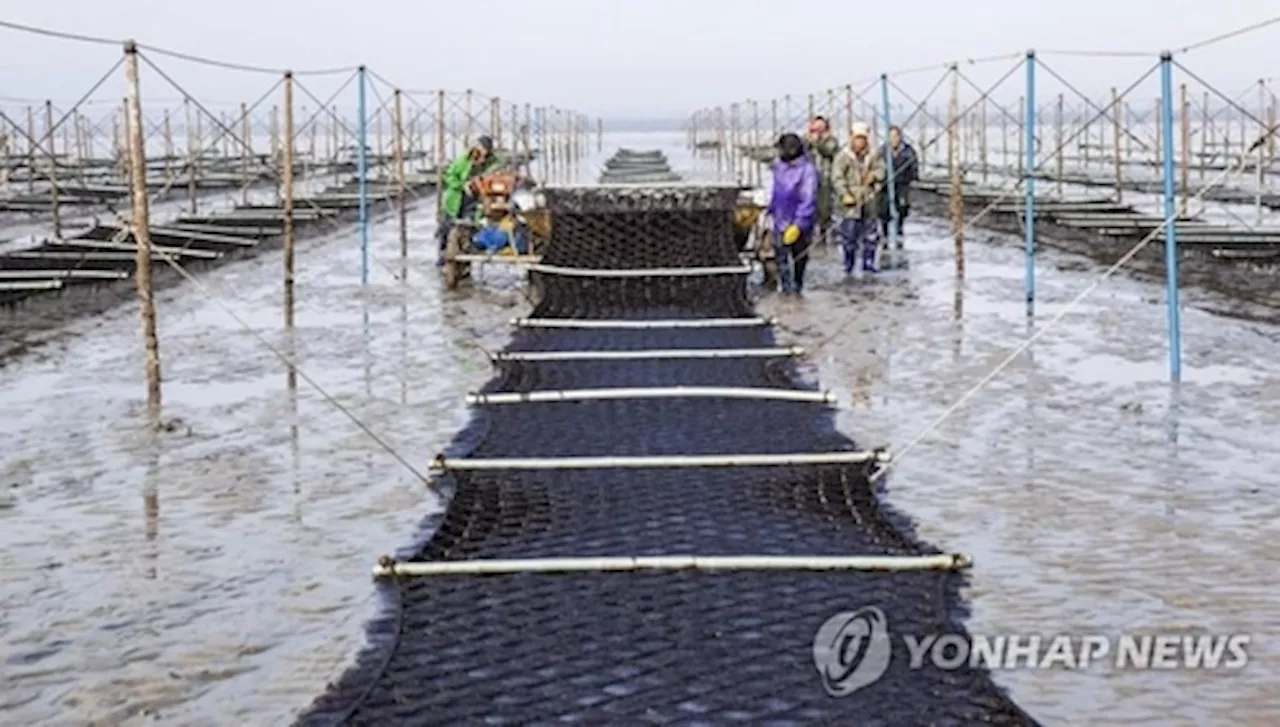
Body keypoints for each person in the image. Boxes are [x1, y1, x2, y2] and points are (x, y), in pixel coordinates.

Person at [765, 132, 819, 295]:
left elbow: (808, 198)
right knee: (781, 259)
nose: (779, 152)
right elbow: (774, 192)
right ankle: (786, 292)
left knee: (799, 258)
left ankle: (797, 288)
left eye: (781, 149)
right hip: (779, 220)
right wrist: (768, 212)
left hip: (799, 224)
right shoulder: (778, 166)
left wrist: (799, 224)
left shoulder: (807, 170)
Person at [436, 135, 501, 265]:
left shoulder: (492, 162)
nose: (482, 158)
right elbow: (449, 176)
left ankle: (466, 255)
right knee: (447, 228)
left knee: (470, 225)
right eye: (480, 154)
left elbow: (498, 169)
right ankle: (443, 257)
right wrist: (462, 185)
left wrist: (483, 179)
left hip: (476, 198)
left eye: (485, 155)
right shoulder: (462, 161)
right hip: (456, 198)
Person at [832, 122, 886, 274]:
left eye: (863, 138)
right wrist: (845, 194)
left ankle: (868, 263)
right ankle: (849, 264)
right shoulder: (843, 156)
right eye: (857, 138)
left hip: (869, 200)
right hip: (850, 204)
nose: (860, 142)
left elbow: (882, 170)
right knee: (849, 236)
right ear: (851, 138)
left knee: (871, 235)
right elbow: (837, 177)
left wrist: (874, 176)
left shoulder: (874, 155)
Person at [877, 125, 919, 245]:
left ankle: (899, 229)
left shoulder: (908, 150)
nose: (893, 139)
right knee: (884, 208)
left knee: (902, 206)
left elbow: (914, 166)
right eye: (890, 136)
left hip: (902, 183)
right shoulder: (883, 150)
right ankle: (884, 232)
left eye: (895, 136)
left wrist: (914, 178)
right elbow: (877, 166)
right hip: (885, 183)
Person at [805, 116, 839, 241]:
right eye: (815, 129)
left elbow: (828, 150)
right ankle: (811, 232)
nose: (818, 132)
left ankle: (824, 232)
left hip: (825, 178)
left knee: (825, 207)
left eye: (821, 129)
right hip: (809, 180)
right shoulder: (808, 141)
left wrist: (819, 141)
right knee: (810, 206)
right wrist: (809, 140)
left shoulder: (831, 141)